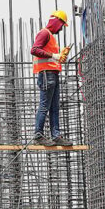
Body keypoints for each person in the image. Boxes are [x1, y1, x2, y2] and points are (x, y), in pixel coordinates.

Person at [31, 11, 73, 147]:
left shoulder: (50, 37)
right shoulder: (44, 33)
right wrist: (55, 56)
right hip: (46, 74)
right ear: (56, 21)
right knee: (44, 106)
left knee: (54, 107)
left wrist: (60, 56)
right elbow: (34, 50)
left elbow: (49, 56)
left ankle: (56, 135)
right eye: (61, 25)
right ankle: (38, 134)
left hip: (53, 73)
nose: (60, 29)